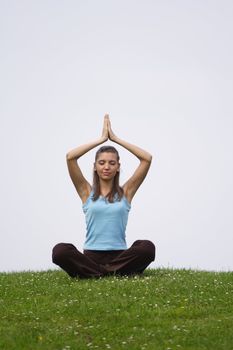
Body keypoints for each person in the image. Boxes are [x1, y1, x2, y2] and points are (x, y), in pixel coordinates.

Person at [52, 115, 155, 278]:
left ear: (118, 167)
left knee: (147, 247)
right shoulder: (86, 191)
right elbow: (70, 157)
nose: (106, 167)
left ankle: (98, 274)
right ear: (95, 166)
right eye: (101, 163)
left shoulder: (126, 192)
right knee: (60, 251)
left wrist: (115, 138)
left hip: (121, 257)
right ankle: (111, 273)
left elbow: (146, 159)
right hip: (91, 258)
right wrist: (101, 139)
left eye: (112, 163)